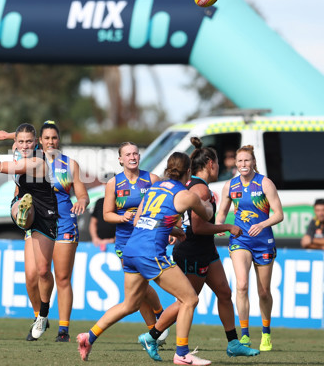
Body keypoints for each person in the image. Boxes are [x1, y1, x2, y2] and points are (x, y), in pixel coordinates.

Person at [77, 152, 214, 365]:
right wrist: (207, 201)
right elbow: (206, 215)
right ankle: (182, 353)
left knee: (130, 304)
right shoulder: (186, 194)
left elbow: (140, 219)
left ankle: (89, 336)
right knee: (189, 299)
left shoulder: (152, 189)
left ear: (169, 169)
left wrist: (171, 229)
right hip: (150, 252)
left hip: (131, 249)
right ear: (188, 172)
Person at [146, 137, 260, 358]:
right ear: (210, 164)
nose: (220, 167)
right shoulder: (202, 190)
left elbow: (181, 216)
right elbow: (197, 228)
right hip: (193, 251)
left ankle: (233, 343)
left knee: (224, 293)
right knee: (186, 302)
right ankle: (152, 336)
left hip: (206, 250)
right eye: (217, 163)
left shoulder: (192, 186)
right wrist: (227, 226)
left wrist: (177, 229)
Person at [0, 123, 57, 340]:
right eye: (21, 141)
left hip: (45, 213)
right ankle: (21, 213)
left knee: (43, 271)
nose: (25, 146)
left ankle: (43, 316)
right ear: (16, 142)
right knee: (29, 277)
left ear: (36, 142)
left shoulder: (37, 160)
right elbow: (16, 138)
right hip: (27, 207)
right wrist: (7, 135)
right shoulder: (18, 148)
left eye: (29, 142)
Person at [23, 121, 88, 342]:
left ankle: (63, 330)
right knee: (33, 276)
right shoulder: (30, 162)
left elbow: (82, 193)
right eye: (46, 138)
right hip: (38, 223)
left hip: (63, 222)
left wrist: (82, 201)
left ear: (58, 140)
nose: (51, 141)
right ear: (39, 141)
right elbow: (18, 194)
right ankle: (40, 316)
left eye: (54, 138)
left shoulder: (69, 164)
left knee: (62, 277)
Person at [216, 145, 283, 352]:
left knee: (263, 291)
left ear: (253, 162)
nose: (243, 164)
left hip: (263, 242)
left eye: (247, 161)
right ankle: (244, 335)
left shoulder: (265, 183)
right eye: (240, 161)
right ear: (235, 164)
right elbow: (222, 212)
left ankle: (266, 332)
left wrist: (262, 224)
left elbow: (279, 214)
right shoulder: (230, 185)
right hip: (240, 241)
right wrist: (219, 226)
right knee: (242, 285)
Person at [102, 142, 166, 340]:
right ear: (120, 159)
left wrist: (171, 230)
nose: (132, 157)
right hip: (124, 242)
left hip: (148, 239)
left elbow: (165, 206)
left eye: (136, 153)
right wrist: (122, 218)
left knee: (142, 284)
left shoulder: (152, 179)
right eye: (128, 154)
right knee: (139, 287)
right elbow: (106, 214)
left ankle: (159, 314)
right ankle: (154, 329)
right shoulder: (114, 184)